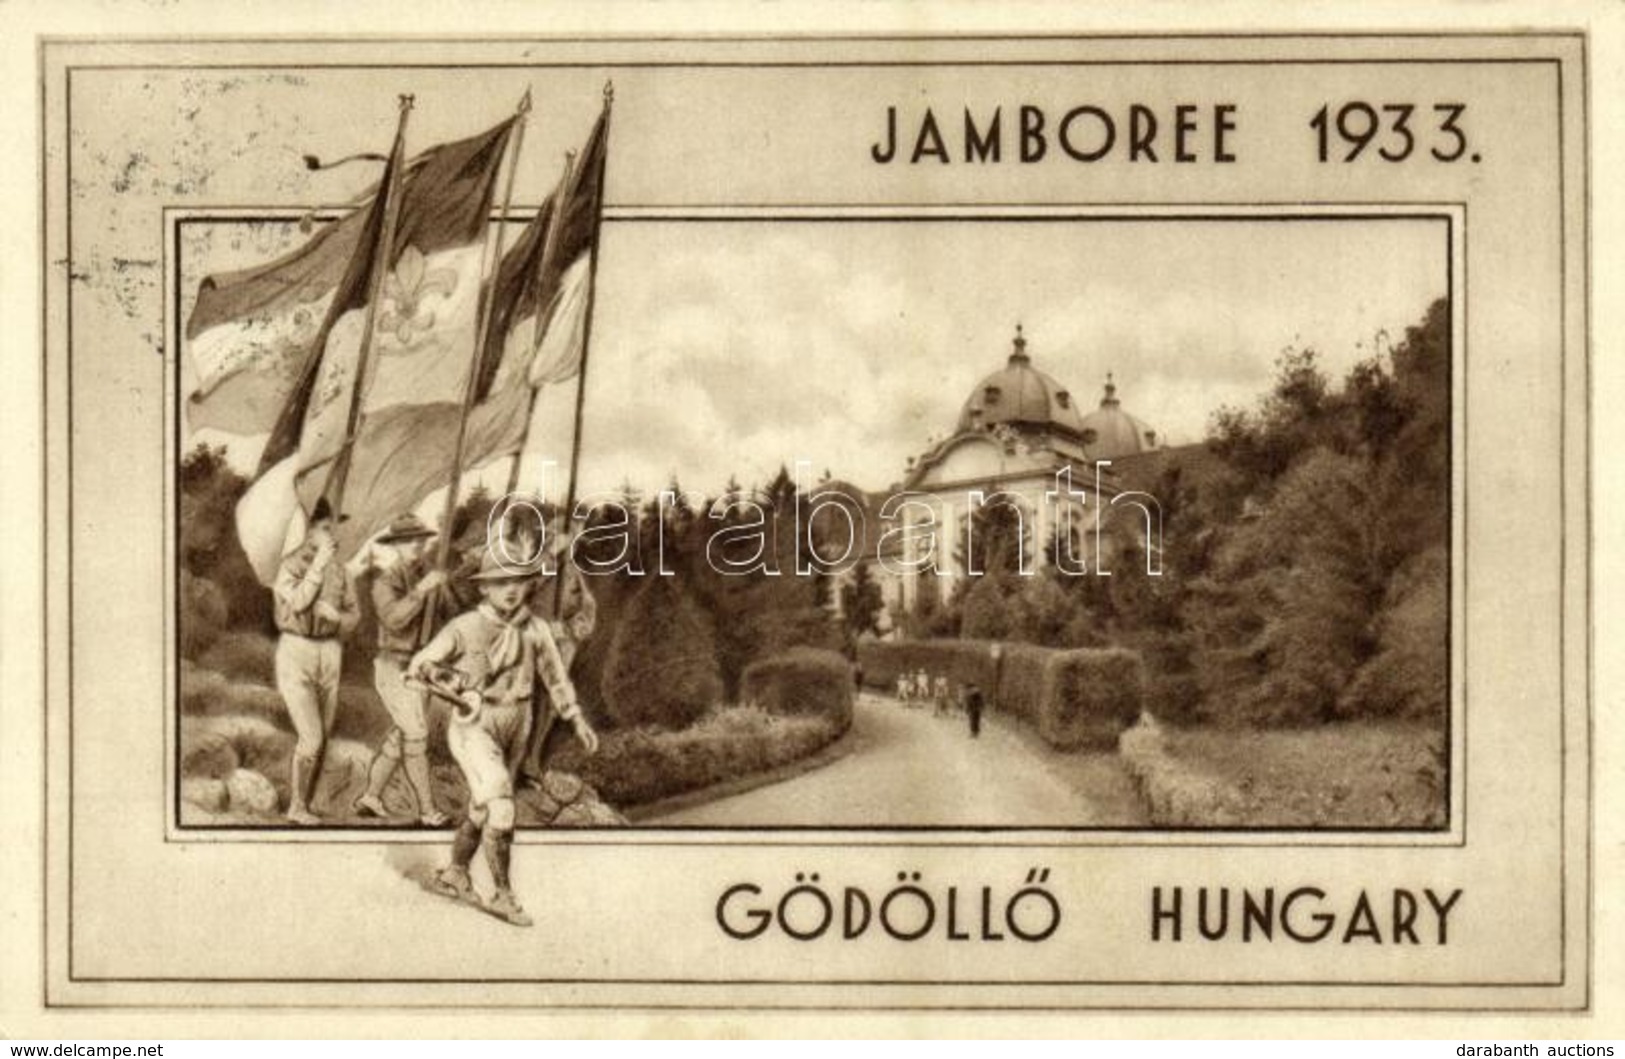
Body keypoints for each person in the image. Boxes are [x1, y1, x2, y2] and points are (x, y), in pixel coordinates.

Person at [411, 546, 600, 927]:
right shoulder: (465, 627)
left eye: (518, 581)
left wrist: (576, 718)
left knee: (483, 808)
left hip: (520, 720)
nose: (510, 590)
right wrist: (455, 690)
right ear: (485, 589)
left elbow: (555, 678)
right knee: (502, 804)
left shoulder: (536, 628)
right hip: (475, 724)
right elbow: (420, 665)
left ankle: (455, 872)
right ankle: (502, 894)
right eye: (500, 582)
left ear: (529, 584)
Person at [352, 512, 450, 826]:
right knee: (416, 736)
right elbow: (394, 618)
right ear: (395, 545)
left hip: (419, 668)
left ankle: (369, 797)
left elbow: (445, 600)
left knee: (399, 739)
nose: (417, 545)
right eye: (409, 540)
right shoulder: (385, 581)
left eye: (420, 539)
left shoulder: (424, 572)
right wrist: (422, 590)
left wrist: (460, 570)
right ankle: (427, 812)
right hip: (395, 667)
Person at [272, 498, 360, 825]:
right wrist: (319, 563)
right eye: (325, 527)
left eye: (333, 527)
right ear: (307, 531)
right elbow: (296, 602)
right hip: (297, 650)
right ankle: (296, 806)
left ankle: (306, 802)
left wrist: (336, 618)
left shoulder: (342, 571)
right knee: (311, 737)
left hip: (330, 651)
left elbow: (355, 616)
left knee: (324, 734)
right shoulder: (290, 566)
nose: (332, 534)